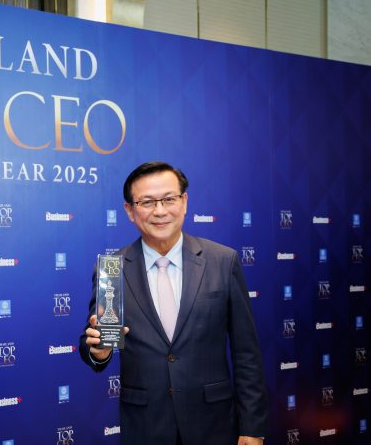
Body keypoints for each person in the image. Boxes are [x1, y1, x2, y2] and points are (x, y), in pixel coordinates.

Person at [79, 162, 268, 445]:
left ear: (185, 201)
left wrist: (252, 428)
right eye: (146, 202)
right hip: (146, 427)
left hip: (213, 424)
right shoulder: (113, 269)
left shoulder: (222, 261)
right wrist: (100, 350)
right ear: (129, 210)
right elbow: (92, 345)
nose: (159, 211)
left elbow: (247, 353)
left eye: (169, 199)